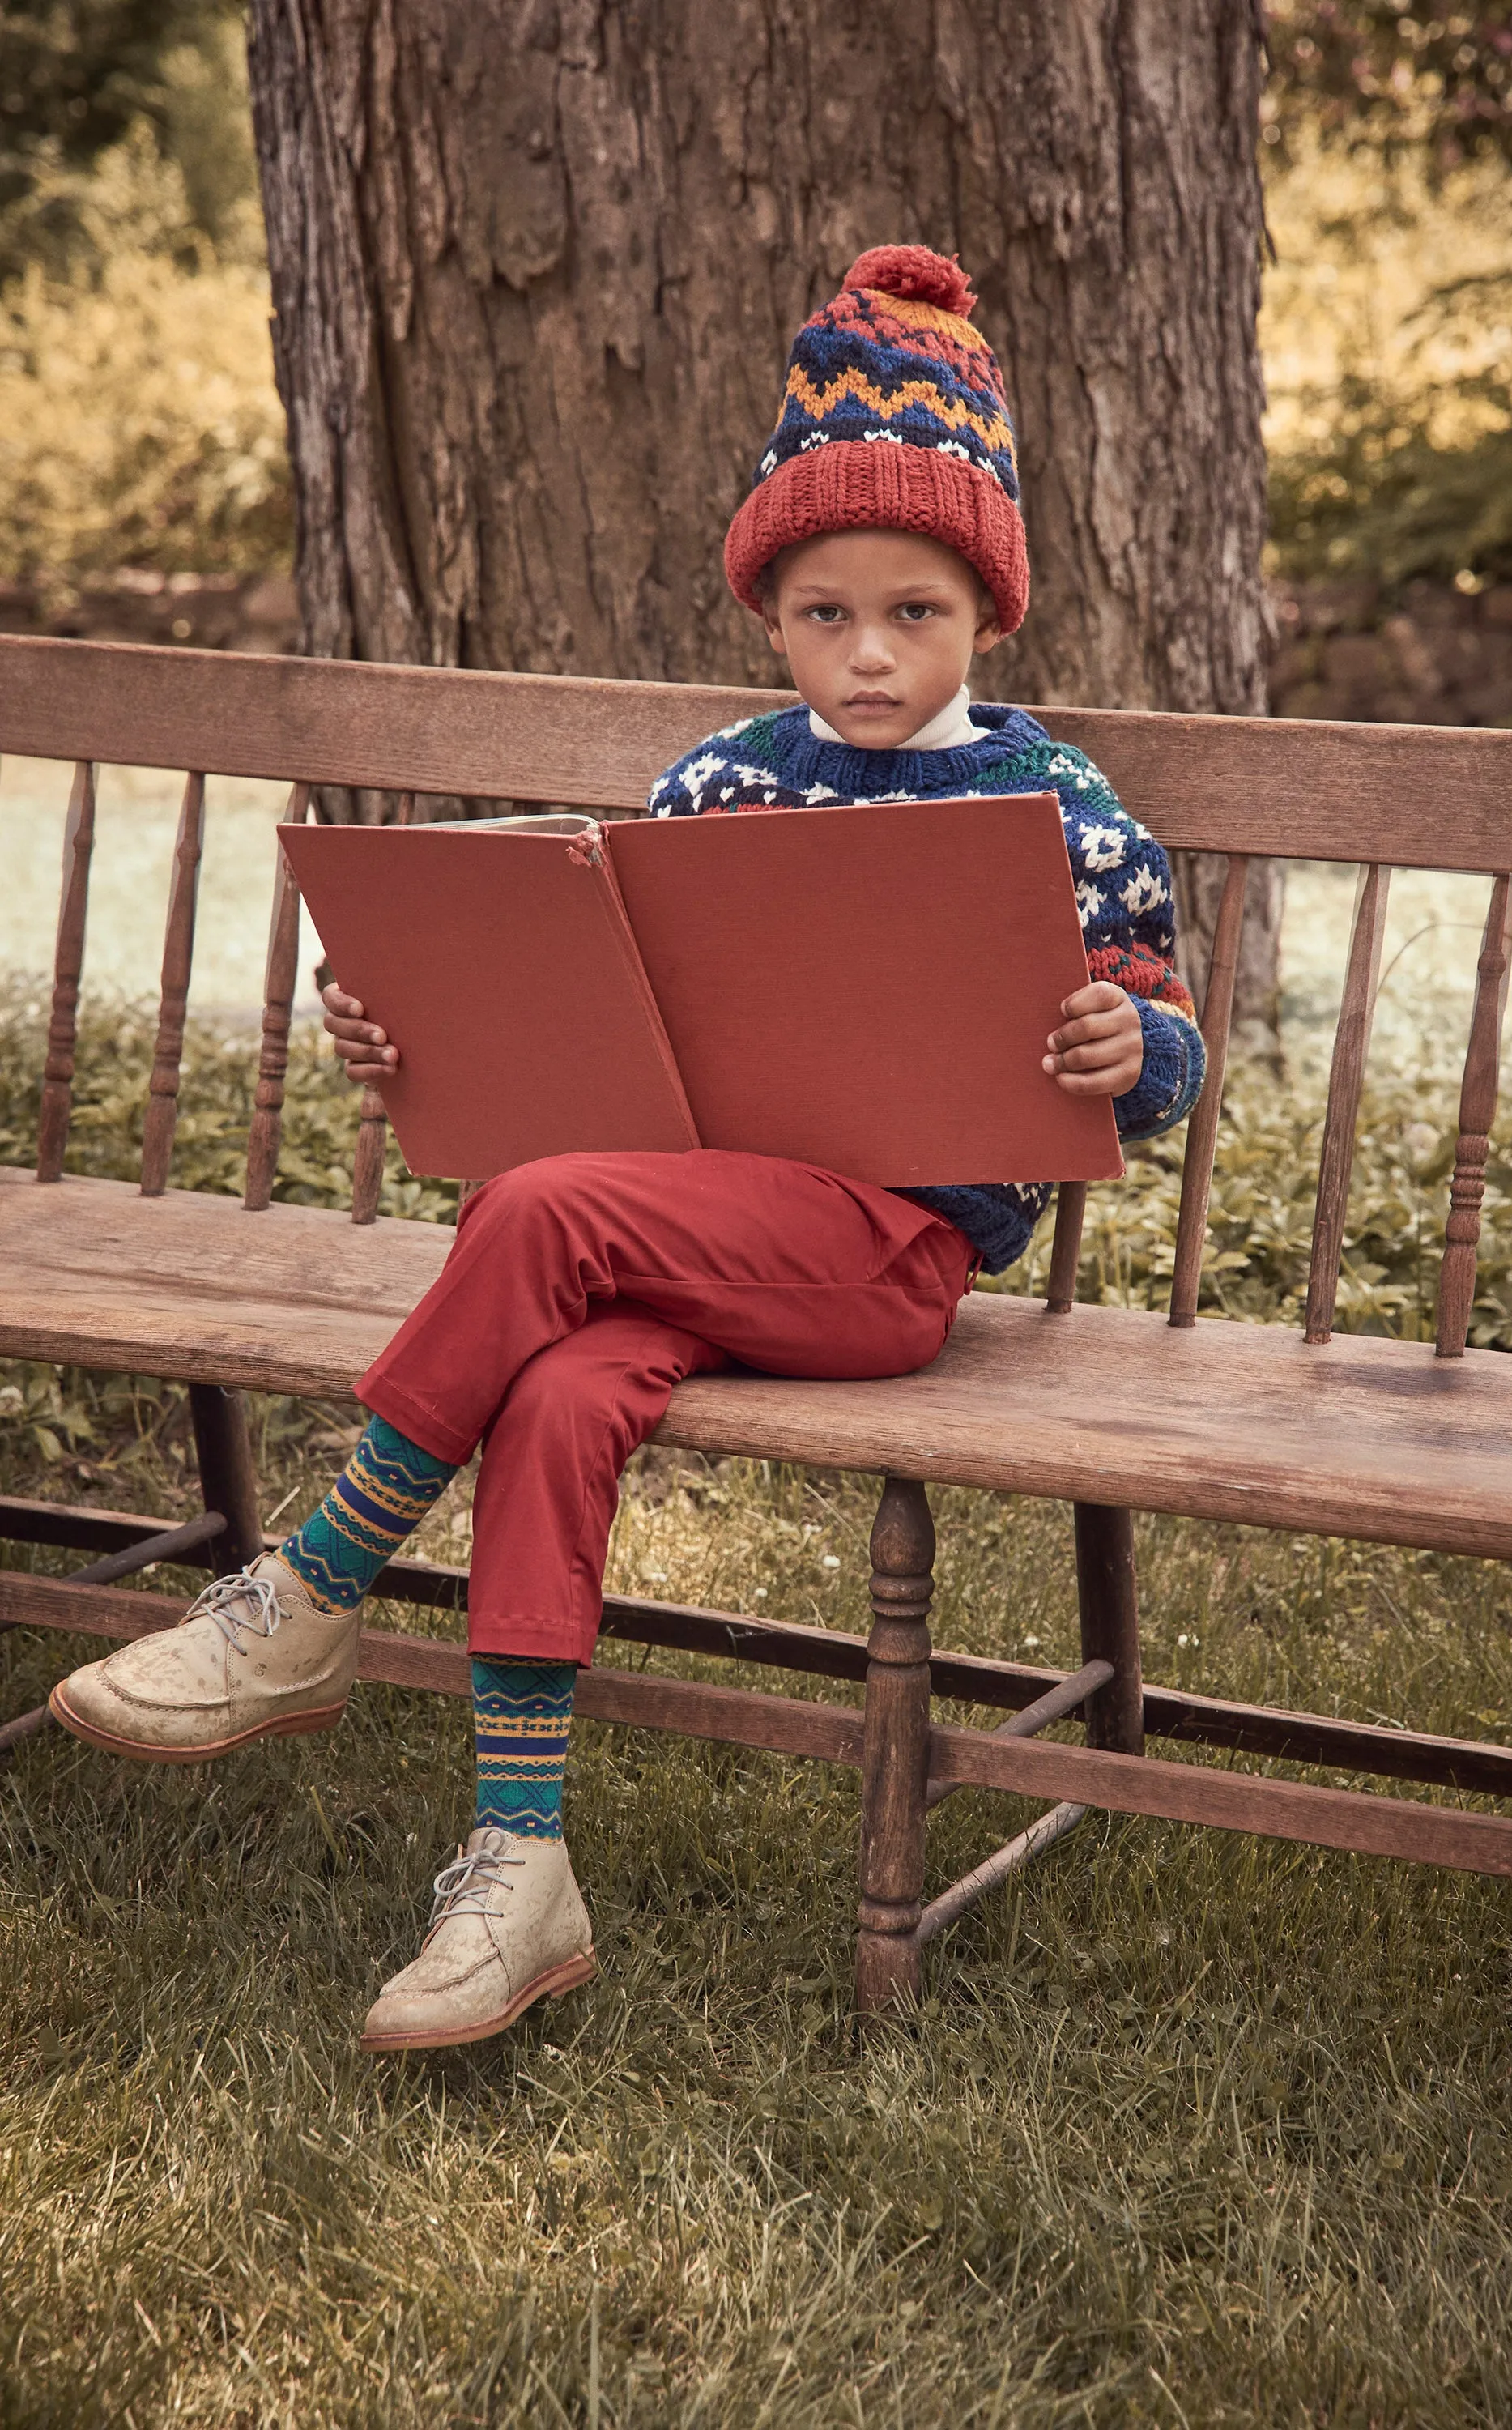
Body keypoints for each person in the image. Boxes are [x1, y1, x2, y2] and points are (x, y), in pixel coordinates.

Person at [49, 244, 1206, 2052]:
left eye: (912, 609)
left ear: (987, 609)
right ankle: (518, 1871)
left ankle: (312, 1587)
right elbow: (618, 1035)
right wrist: (408, 1035)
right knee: (562, 1387)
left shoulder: (1055, 805)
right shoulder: (719, 785)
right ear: (770, 613)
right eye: (824, 611)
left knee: (537, 1211)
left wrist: (1131, 1040)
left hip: (888, 1260)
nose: (868, 651)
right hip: (686, 1227)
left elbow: (1162, 1050)